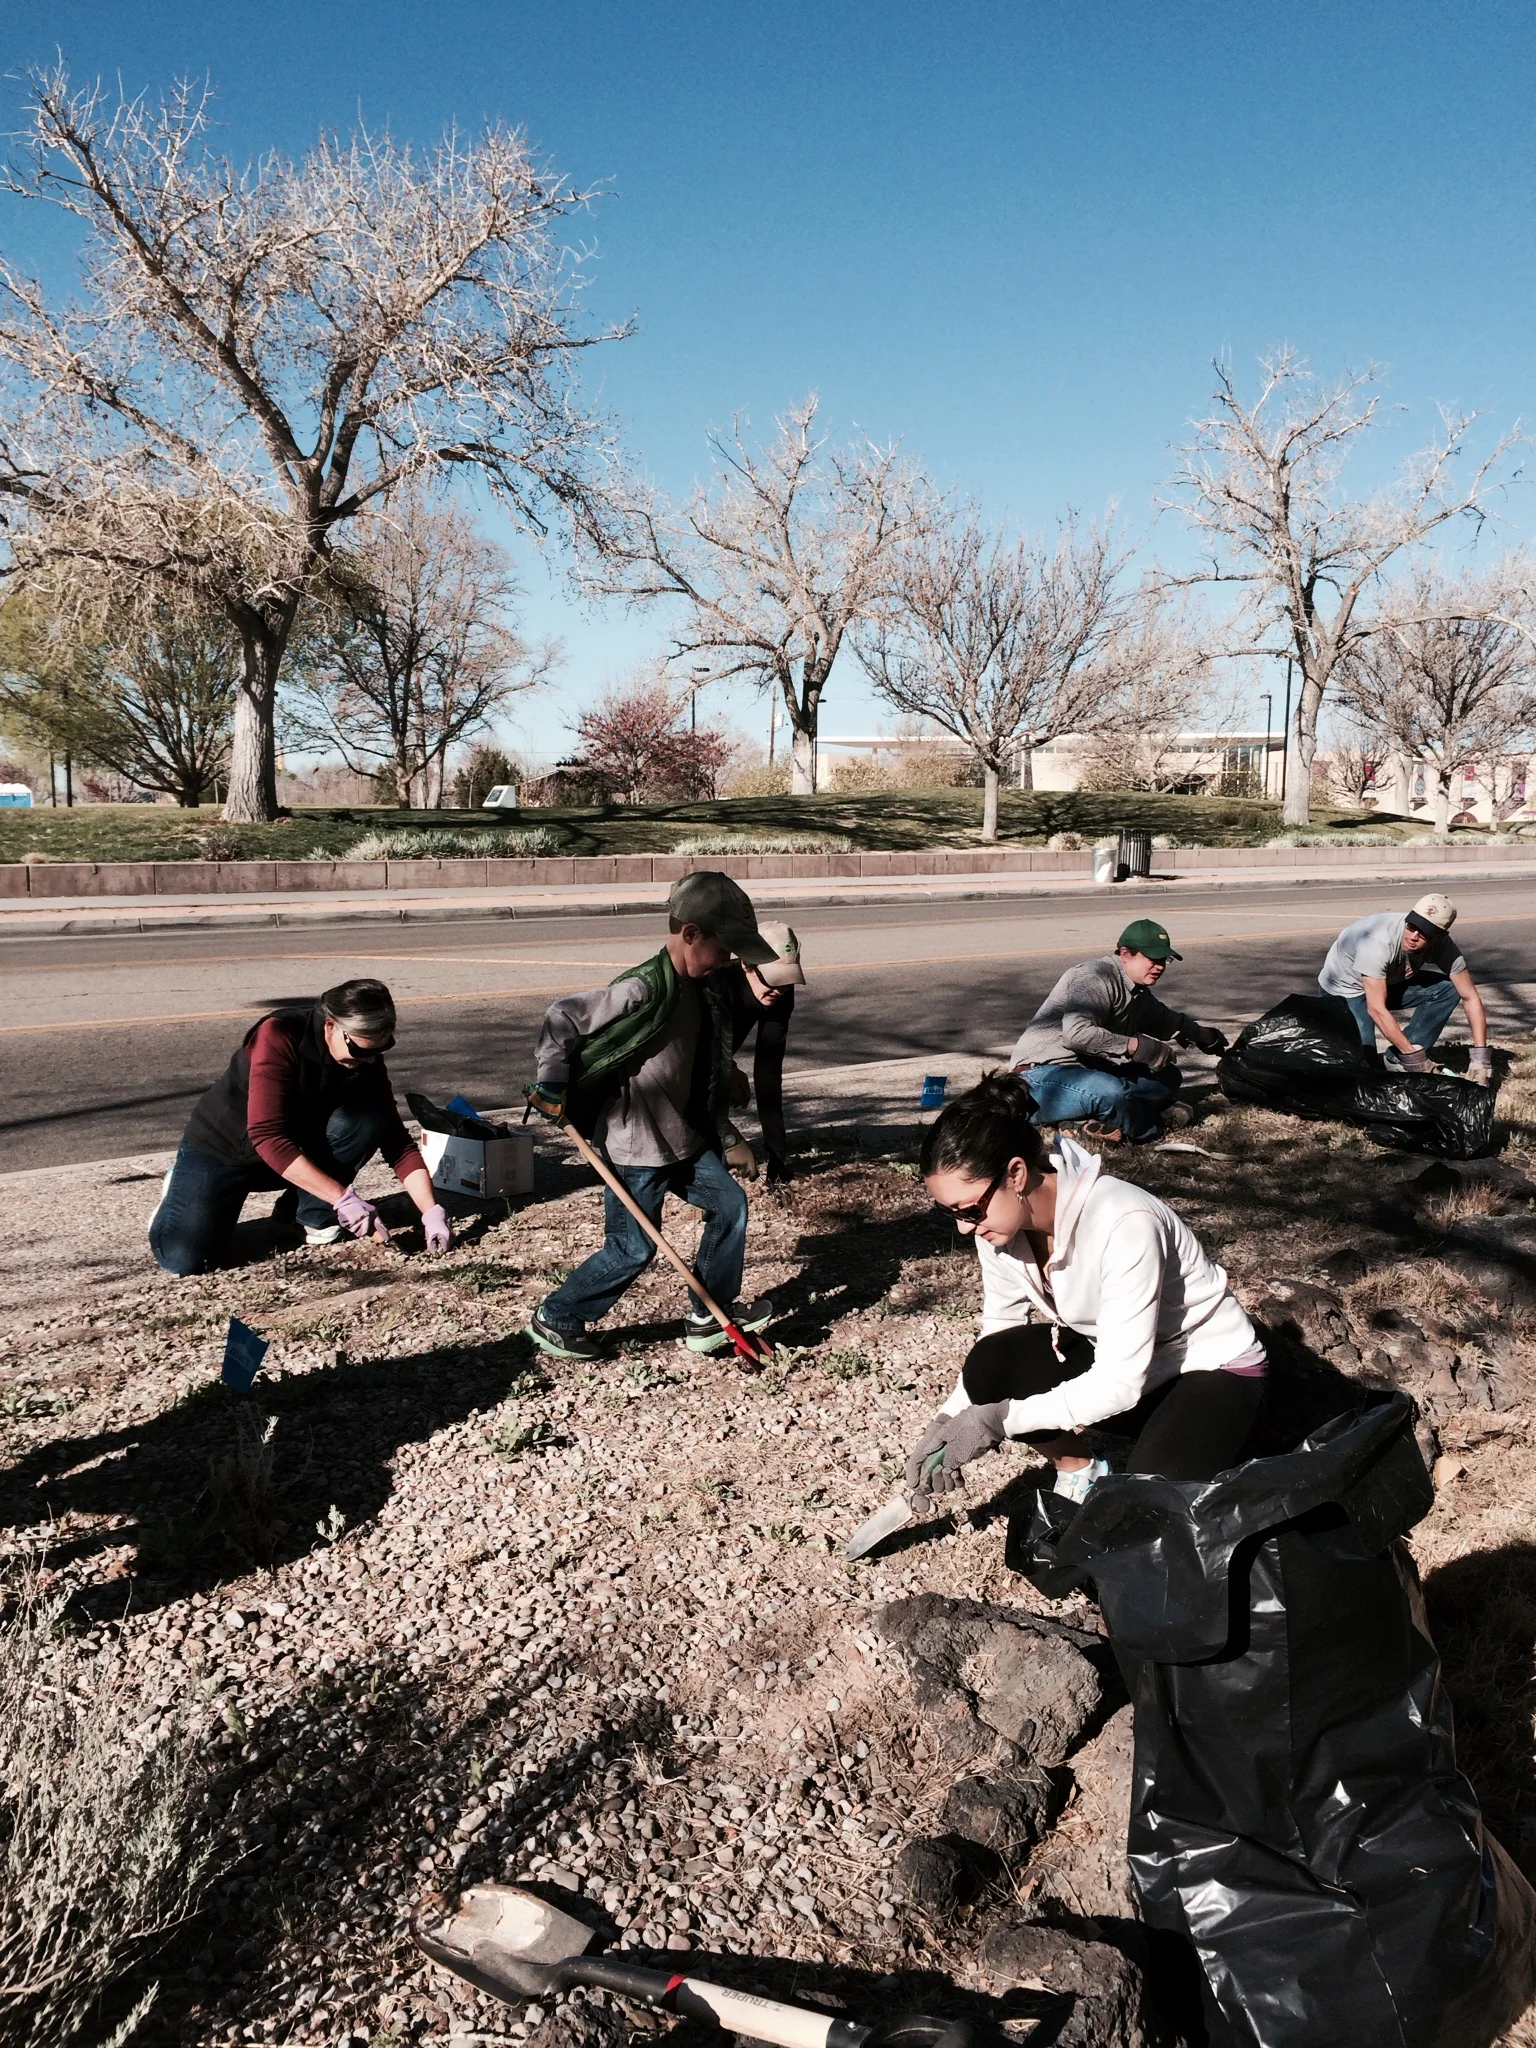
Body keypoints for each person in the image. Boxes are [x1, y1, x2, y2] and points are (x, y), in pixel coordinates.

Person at [904, 1071, 1265, 1505]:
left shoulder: (1122, 1219)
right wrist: (949, 1418)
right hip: (1130, 1360)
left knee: (1149, 1506)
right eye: (951, 1214)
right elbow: (1000, 1326)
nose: (964, 1228)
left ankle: (1228, 1433)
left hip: (1208, 1365)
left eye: (969, 1210)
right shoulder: (998, 1225)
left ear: (1015, 1174)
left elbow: (1120, 1381)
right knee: (990, 1364)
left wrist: (998, 1421)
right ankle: (1081, 1469)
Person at [523, 871, 779, 1362]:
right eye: (725, 949)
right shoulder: (642, 988)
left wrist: (727, 1075)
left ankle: (710, 1316)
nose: (728, 961)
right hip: (635, 1148)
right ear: (691, 934)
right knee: (632, 1249)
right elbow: (562, 1017)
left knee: (730, 1207)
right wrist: (552, 1082)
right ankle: (558, 1316)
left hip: (685, 1138)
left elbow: (695, 1052)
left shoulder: (703, 990)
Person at [149, 978, 451, 1276]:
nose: (367, 1060)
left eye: (378, 1050)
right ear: (331, 1025)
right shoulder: (279, 1034)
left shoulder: (366, 1060)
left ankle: (302, 1218)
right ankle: (180, 1185)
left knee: (368, 1117)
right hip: (224, 1152)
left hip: (294, 1153)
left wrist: (431, 1212)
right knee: (183, 1259)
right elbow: (267, 1137)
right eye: (359, 1051)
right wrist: (342, 1198)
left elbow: (396, 1141)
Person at [1008, 917, 1228, 1142]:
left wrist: (1202, 1035)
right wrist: (1134, 1046)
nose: (1160, 966)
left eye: (1164, 959)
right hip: (1041, 1074)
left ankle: (1081, 1122)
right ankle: (1153, 1125)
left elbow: (1166, 1020)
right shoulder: (1095, 977)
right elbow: (1077, 1034)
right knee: (1110, 1091)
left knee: (1168, 1077)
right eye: (1153, 958)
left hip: (1089, 1072)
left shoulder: (1137, 991)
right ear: (1125, 954)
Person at [1318, 892, 1491, 1080]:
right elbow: (1376, 1009)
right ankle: (1408, 1056)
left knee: (1448, 990)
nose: (1414, 936)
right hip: (1346, 989)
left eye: (1425, 932)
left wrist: (1480, 1059)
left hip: (1388, 981)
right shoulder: (1378, 942)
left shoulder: (1443, 946)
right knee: (1363, 1068)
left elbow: (1470, 996)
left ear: (1439, 936)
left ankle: (1398, 1058)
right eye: (1412, 925)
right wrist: (1416, 1059)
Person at [715, 920, 805, 1185]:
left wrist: (778, 1154)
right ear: (747, 965)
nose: (779, 990)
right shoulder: (716, 985)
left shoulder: (780, 995)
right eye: (772, 979)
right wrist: (728, 1137)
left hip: (716, 1055)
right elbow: (688, 1067)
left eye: (787, 981)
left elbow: (768, 1072)